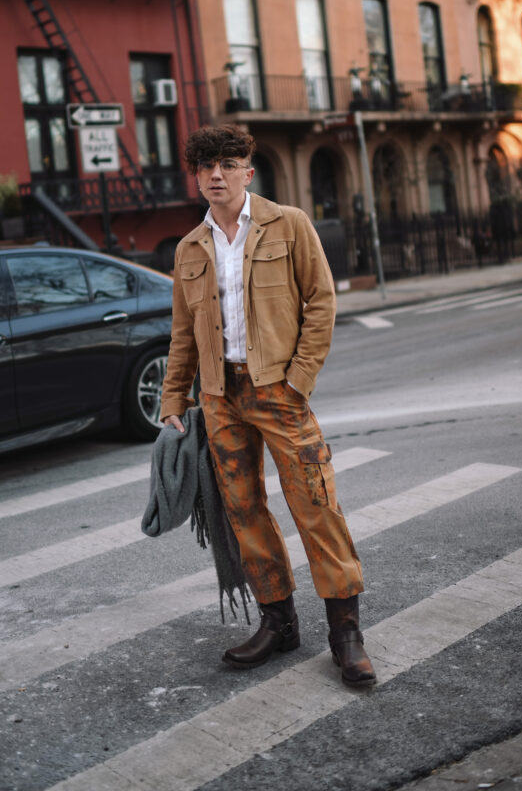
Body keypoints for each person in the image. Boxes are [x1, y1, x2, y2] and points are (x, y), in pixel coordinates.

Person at [160, 125, 375, 687]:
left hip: (278, 391)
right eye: (205, 166)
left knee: (316, 505)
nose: (215, 175)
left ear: (247, 172)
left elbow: (321, 303)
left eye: (227, 164)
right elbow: (182, 334)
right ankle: (279, 622)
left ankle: (345, 632)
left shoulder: (290, 224)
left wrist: (298, 381)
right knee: (243, 512)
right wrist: (172, 400)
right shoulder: (189, 248)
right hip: (219, 398)